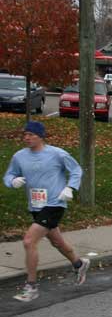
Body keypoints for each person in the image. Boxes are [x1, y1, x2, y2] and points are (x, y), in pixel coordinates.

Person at [3, 121, 89, 302]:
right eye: (24, 134)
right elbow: (8, 175)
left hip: (55, 203)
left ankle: (31, 286)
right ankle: (79, 264)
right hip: (36, 205)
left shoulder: (57, 154)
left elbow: (76, 170)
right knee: (57, 242)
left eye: (30, 134)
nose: (26, 137)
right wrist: (13, 181)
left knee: (28, 241)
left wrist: (70, 188)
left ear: (41, 136)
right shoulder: (19, 156)